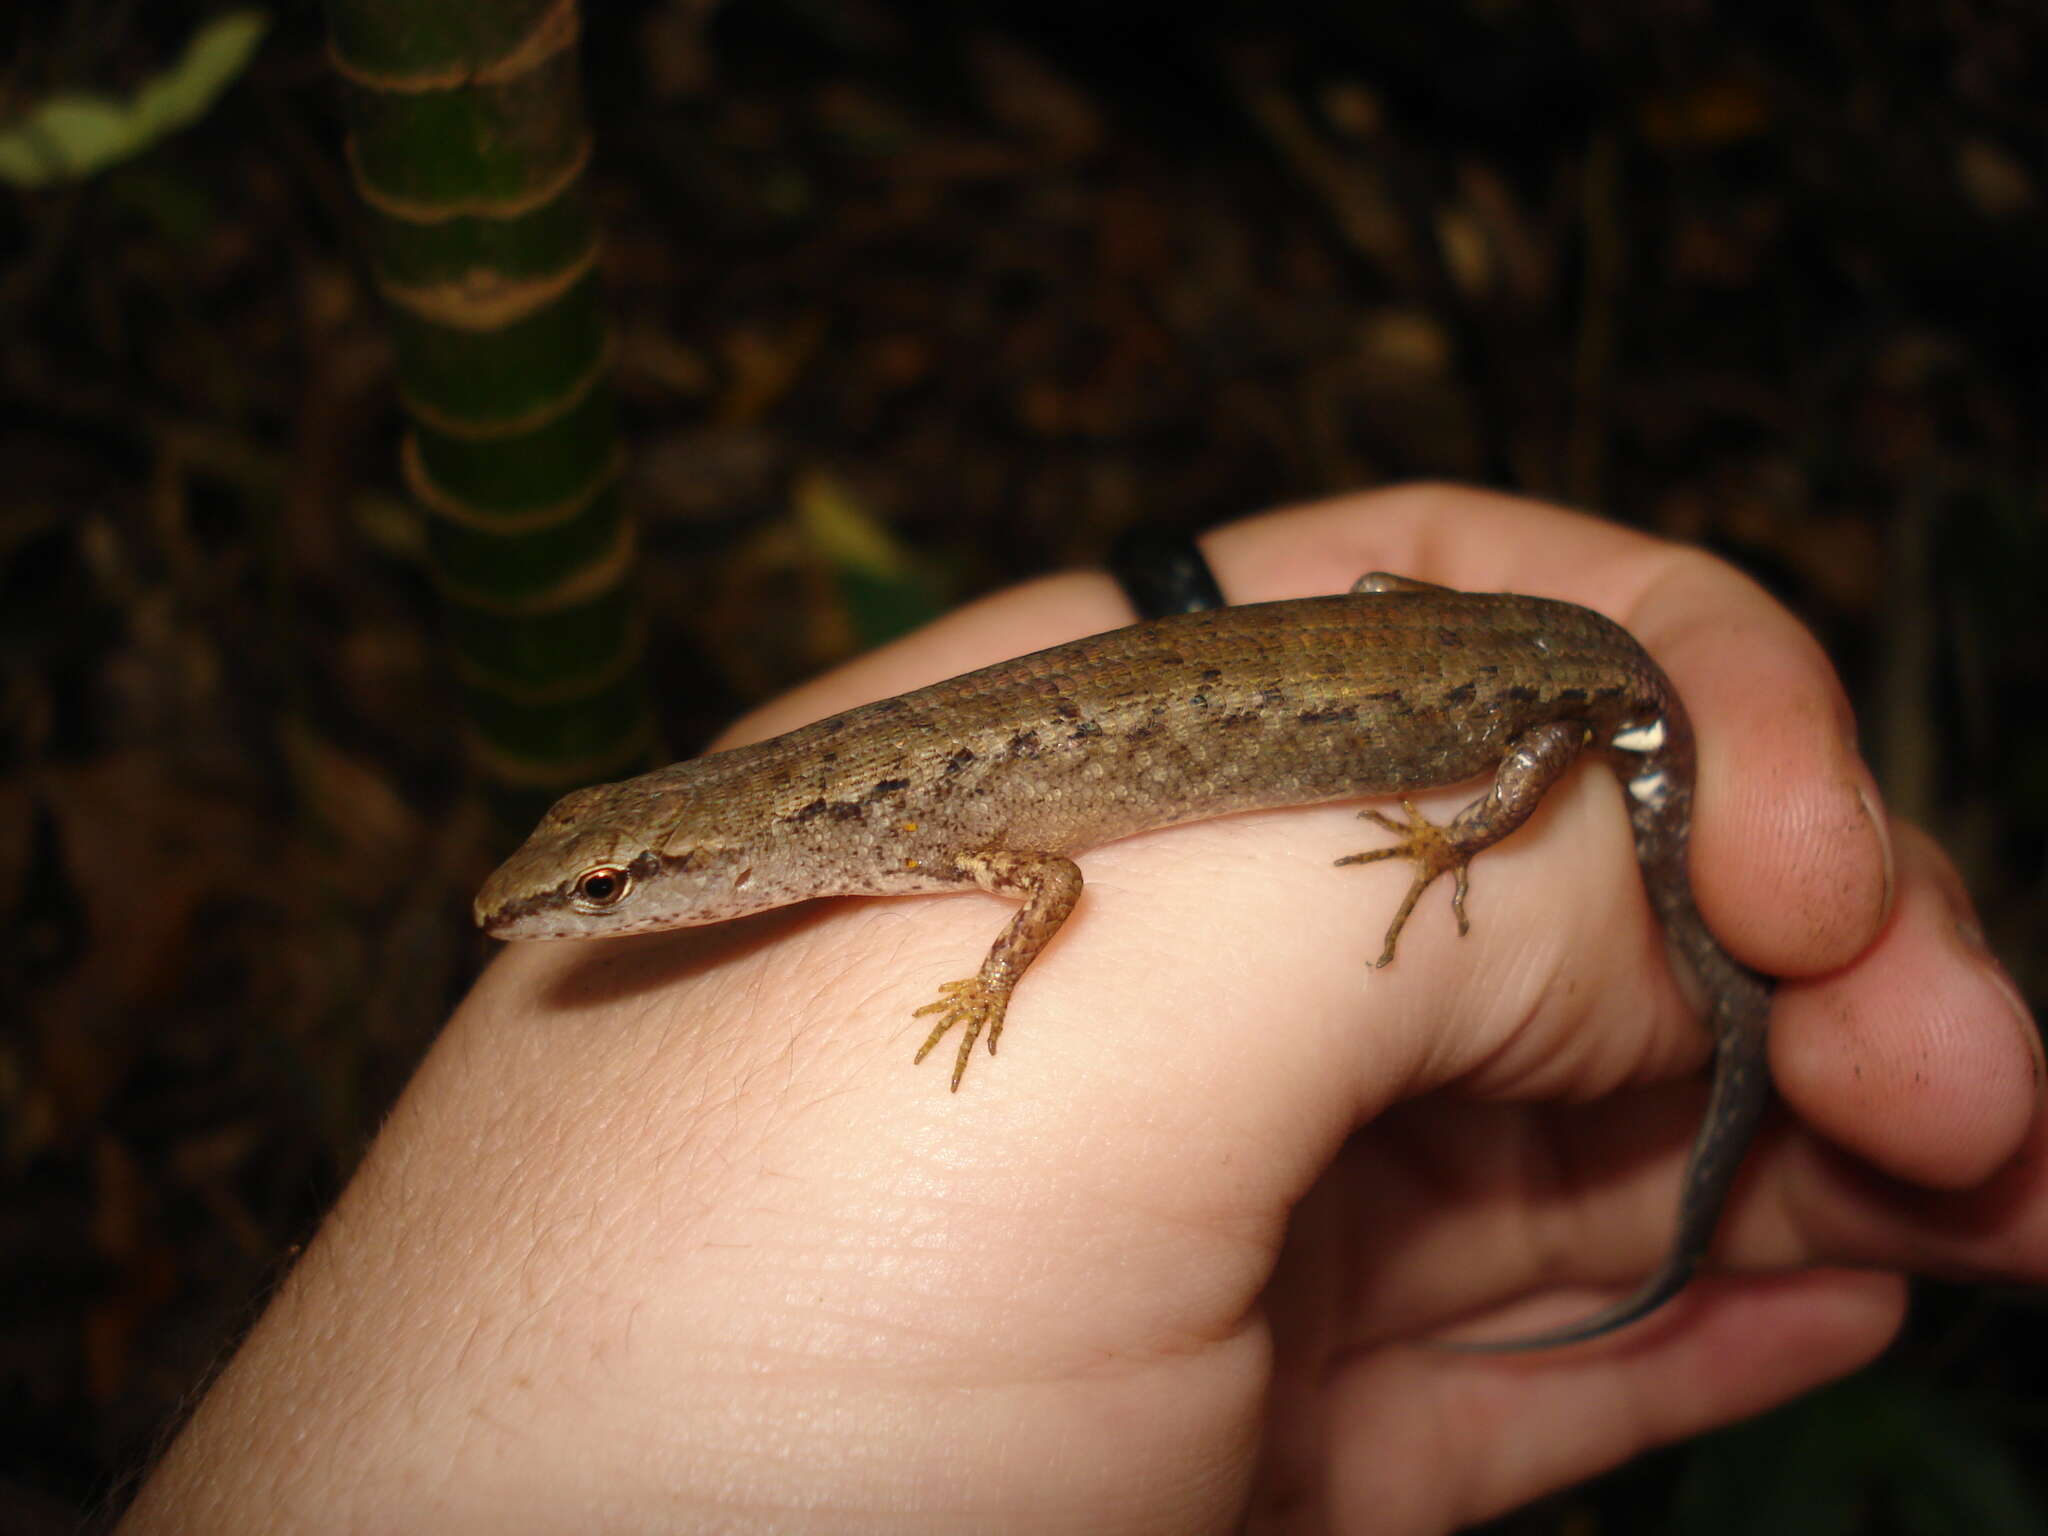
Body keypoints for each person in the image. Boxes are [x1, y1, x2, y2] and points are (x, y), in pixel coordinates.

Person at [120, 487, 2044, 1534]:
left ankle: (1534, 890)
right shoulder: (840, 802)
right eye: (605, 876)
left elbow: (1045, 882)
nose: (588, 905)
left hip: (1553, 706)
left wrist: (1466, 845)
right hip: (1440, 647)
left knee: (1639, 875)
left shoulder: (899, 824)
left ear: (720, 859)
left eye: (617, 882)